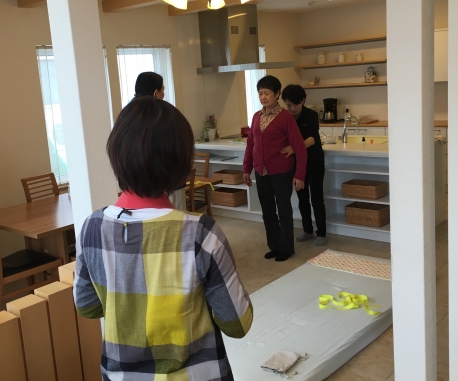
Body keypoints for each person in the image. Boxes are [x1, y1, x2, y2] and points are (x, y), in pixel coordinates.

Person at [74, 96, 253, 381]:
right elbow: (237, 323)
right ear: (181, 162)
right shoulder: (201, 233)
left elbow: (87, 306)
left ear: (116, 154)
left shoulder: (92, 228)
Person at [243, 76, 307, 262]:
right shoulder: (256, 116)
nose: (263, 97)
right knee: (267, 211)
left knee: (284, 210)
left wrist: (300, 174)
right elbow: (250, 145)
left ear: (277, 94)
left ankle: (286, 248)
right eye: (260, 93)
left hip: (281, 171)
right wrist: (246, 169)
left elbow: (299, 147)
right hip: (261, 172)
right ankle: (275, 246)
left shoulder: (286, 117)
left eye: (267, 93)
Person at [281, 84, 327, 246]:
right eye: (288, 105)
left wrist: (294, 148)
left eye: (295, 104)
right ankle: (307, 230)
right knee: (302, 198)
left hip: (314, 162)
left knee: (316, 198)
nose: (292, 109)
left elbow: (312, 139)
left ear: (303, 100)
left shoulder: (311, 115)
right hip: (297, 163)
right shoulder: (286, 117)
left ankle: (321, 233)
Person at [133, 70, 186, 210]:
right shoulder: (163, 115)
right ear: (155, 92)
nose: (164, 94)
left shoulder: (128, 115)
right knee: (174, 218)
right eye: (163, 90)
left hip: (138, 184)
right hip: (167, 180)